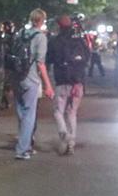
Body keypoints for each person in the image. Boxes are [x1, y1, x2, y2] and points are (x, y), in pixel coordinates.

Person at [12, 8, 54, 159]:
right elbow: (40, 63)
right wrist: (48, 85)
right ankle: (22, 149)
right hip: (31, 78)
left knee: (21, 113)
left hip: (16, 77)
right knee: (29, 114)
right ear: (42, 20)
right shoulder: (41, 37)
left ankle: (26, 144)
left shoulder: (20, 34)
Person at [48, 14, 90, 155]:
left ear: (59, 26)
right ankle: (71, 143)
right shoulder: (80, 41)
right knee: (72, 112)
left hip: (62, 80)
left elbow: (49, 59)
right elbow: (87, 58)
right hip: (78, 82)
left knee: (58, 111)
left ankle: (64, 133)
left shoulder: (55, 41)